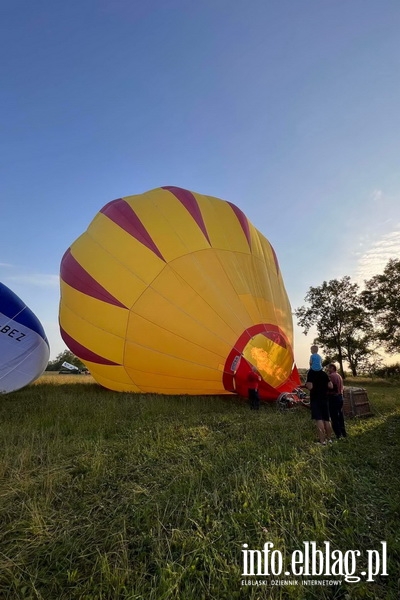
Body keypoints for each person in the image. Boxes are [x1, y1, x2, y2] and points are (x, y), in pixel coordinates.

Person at [306, 367, 333, 445]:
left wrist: (307, 385)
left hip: (315, 399)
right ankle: (329, 440)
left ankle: (322, 441)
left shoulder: (311, 373)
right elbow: (330, 385)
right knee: (327, 419)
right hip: (325, 399)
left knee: (319, 419)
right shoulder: (324, 373)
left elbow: (310, 386)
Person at [327, 363, 347, 439]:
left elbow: (332, 387)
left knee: (334, 417)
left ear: (332, 368)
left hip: (333, 398)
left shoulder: (331, 376)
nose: (328, 370)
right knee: (340, 416)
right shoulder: (339, 376)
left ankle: (338, 435)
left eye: (329, 368)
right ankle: (343, 433)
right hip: (340, 397)